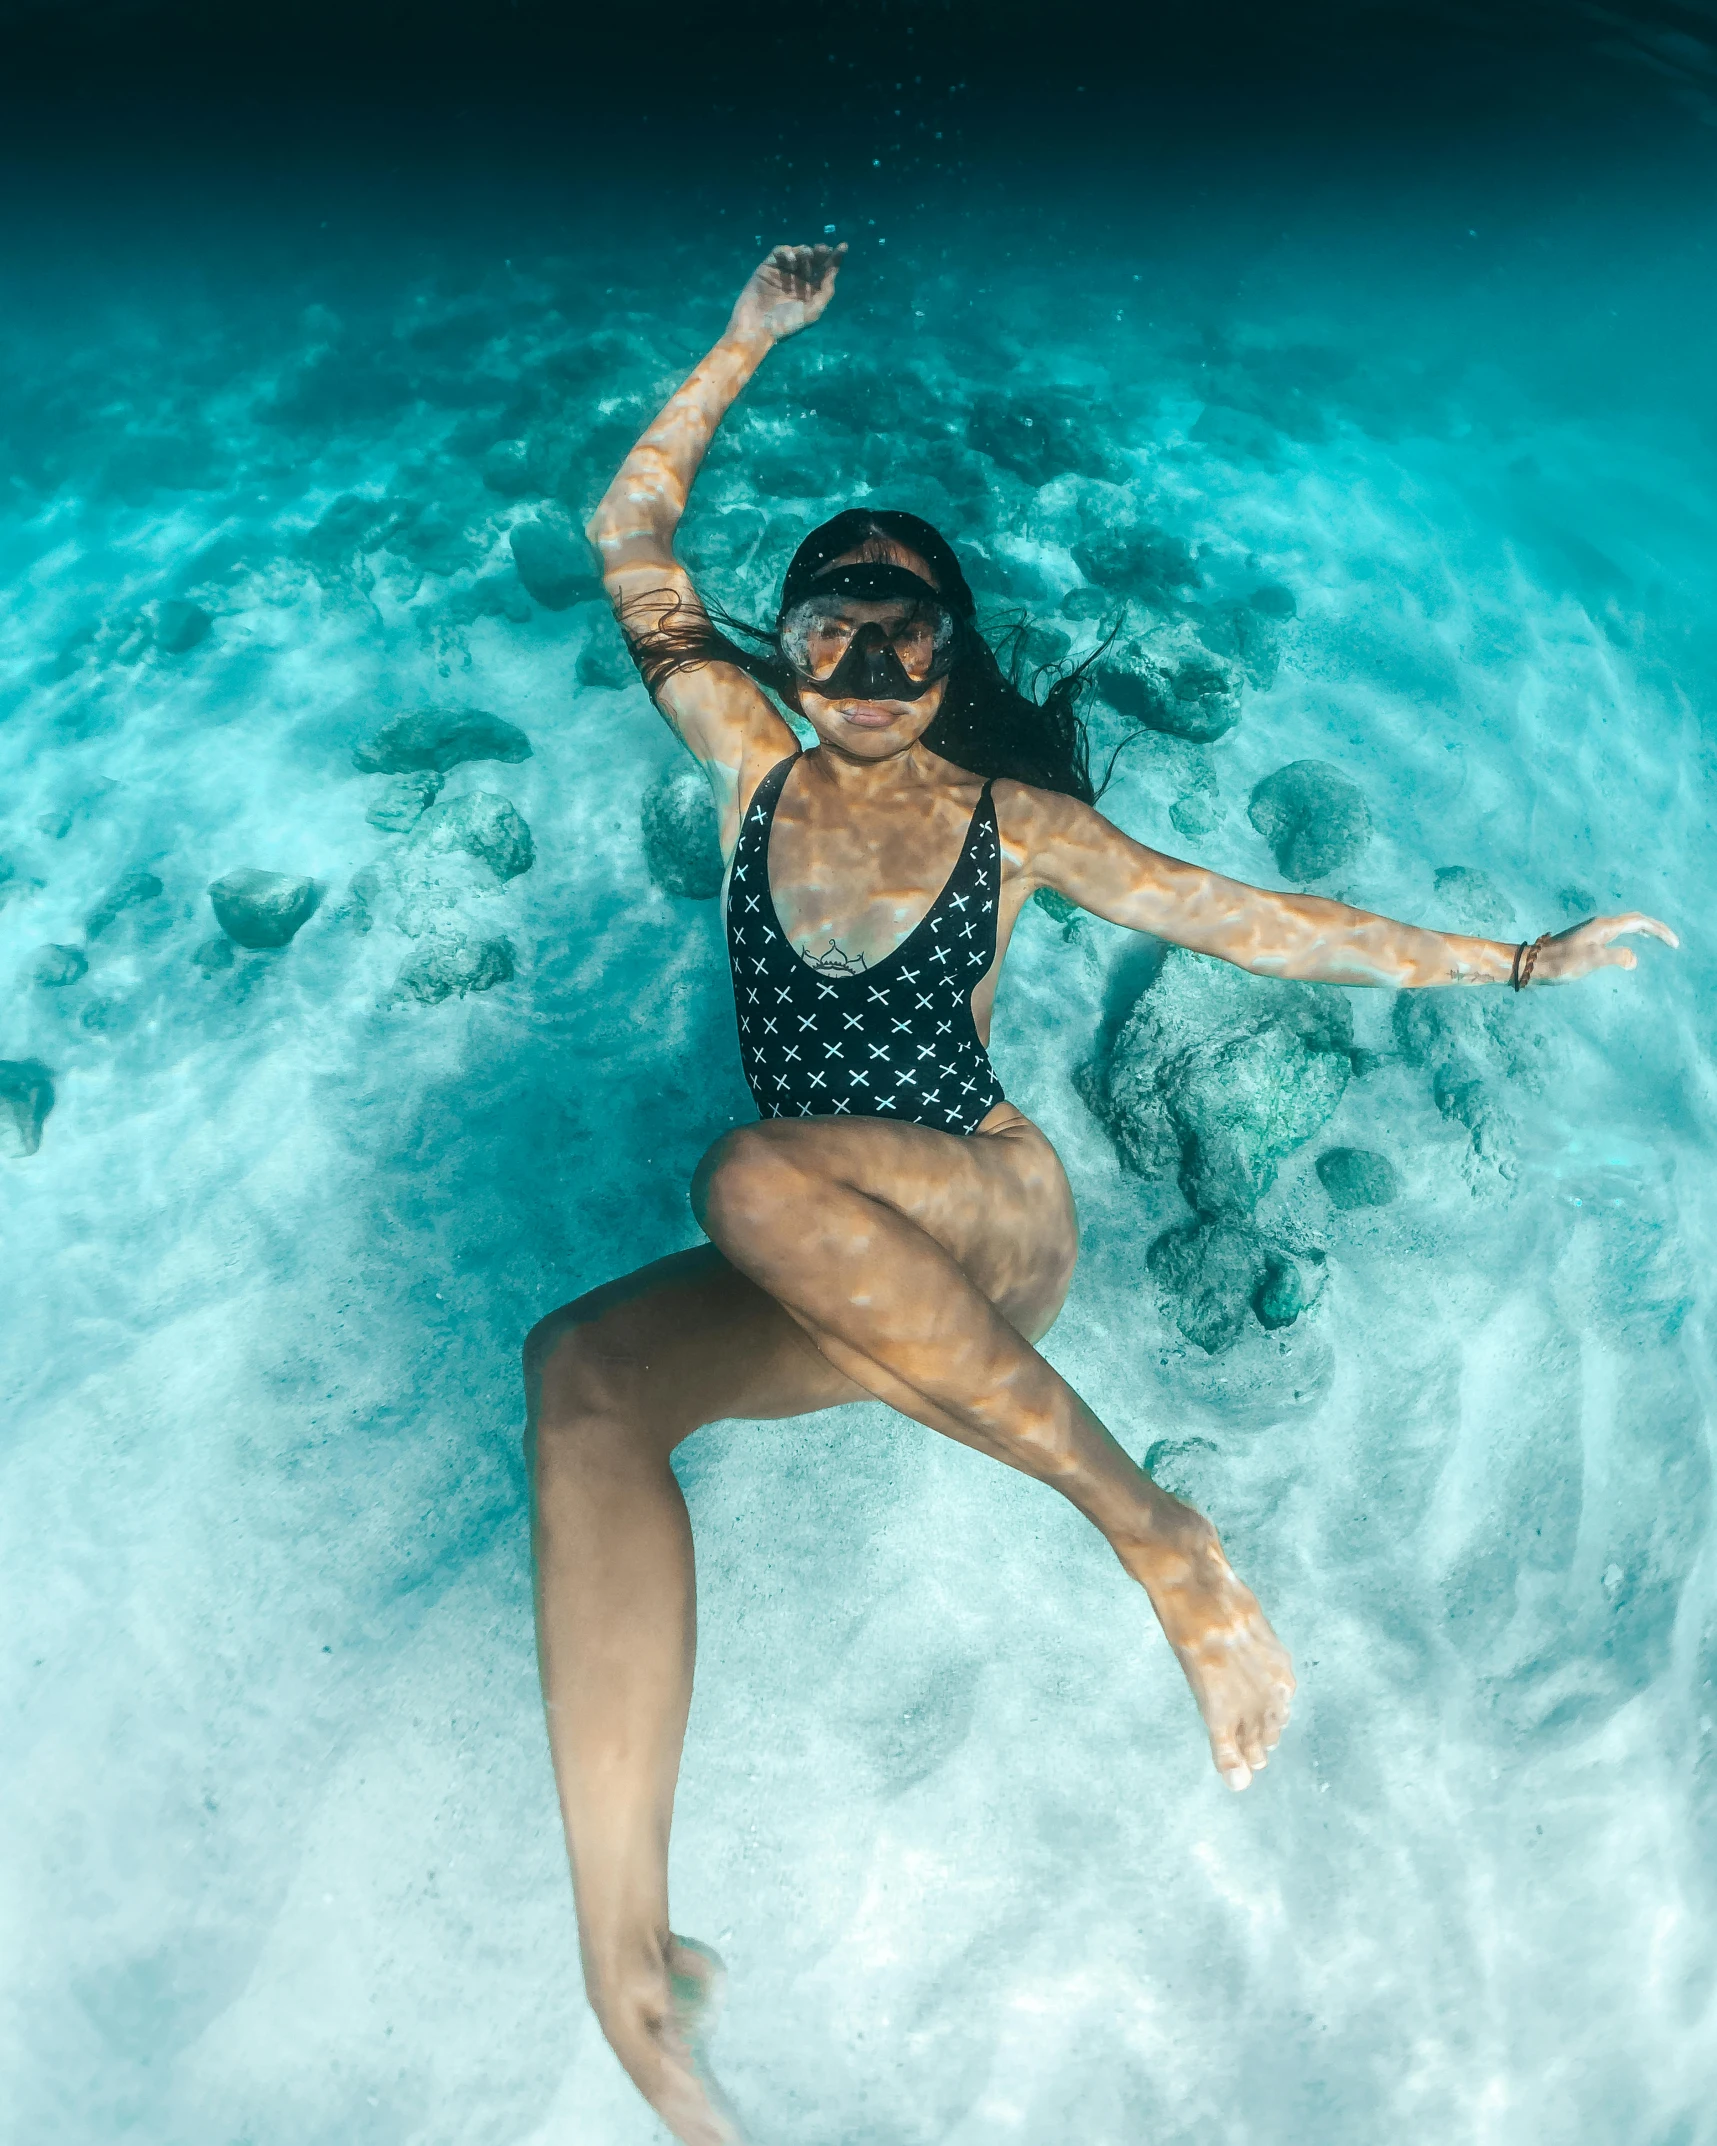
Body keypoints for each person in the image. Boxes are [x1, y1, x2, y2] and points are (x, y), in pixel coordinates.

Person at [523, 242, 1677, 2146]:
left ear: (956, 660)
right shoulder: (740, 761)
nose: (871, 667)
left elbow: (1276, 924)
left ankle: (1162, 1537)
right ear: (785, 645)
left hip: (989, 1225)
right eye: (830, 627)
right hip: (824, 1249)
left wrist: (1519, 961)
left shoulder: (1014, 826)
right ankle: (637, 1965)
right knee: (581, 1375)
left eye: (911, 636)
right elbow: (630, 535)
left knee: (744, 1170)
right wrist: (741, 342)